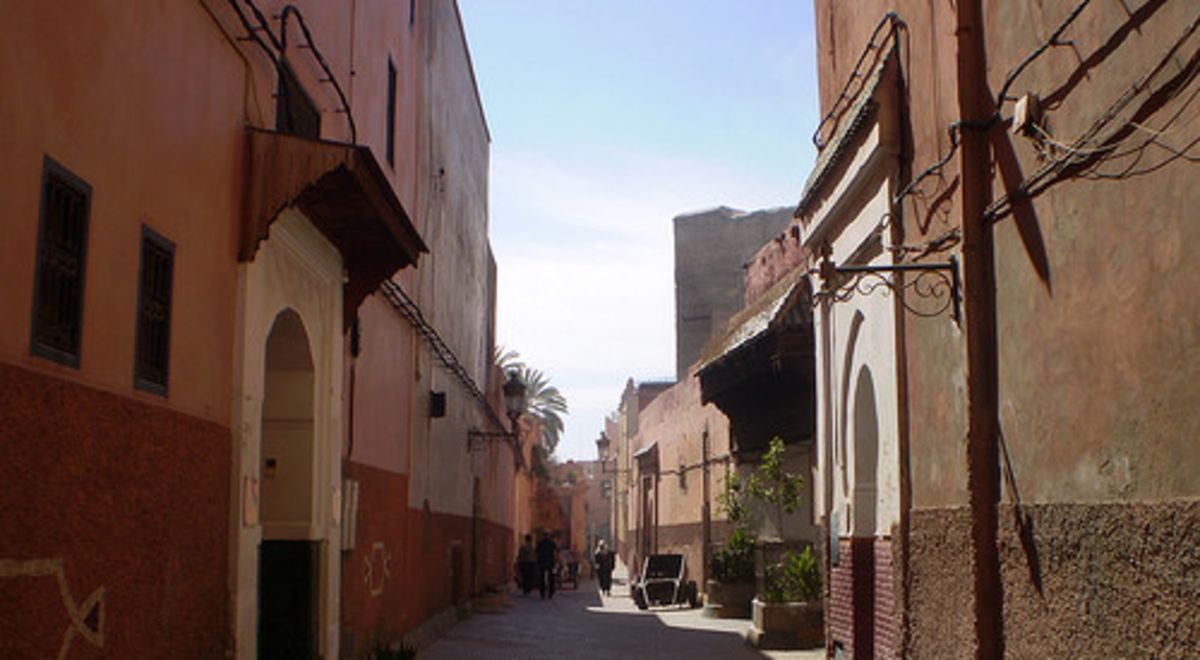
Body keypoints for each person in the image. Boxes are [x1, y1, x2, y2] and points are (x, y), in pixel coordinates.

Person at [535, 531, 559, 599]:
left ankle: (542, 593)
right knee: (551, 577)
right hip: (550, 562)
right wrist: (556, 560)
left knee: (541, 577)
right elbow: (555, 552)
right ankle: (550, 592)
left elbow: (536, 552)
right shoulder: (551, 543)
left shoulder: (540, 542)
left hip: (541, 562)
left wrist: (537, 561)